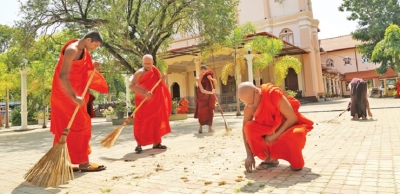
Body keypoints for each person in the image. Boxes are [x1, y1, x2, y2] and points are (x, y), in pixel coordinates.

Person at [50, 31, 108, 172]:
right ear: (88, 40)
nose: (95, 48)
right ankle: (83, 163)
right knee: (79, 126)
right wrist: (74, 97)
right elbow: (63, 75)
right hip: (65, 94)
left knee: (75, 127)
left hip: (74, 93)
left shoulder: (83, 51)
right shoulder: (72, 50)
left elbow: (81, 66)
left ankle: (65, 162)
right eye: (95, 44)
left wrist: (92, 64)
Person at [238, 82, 314, 172]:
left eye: (251, 102)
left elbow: (292, 118)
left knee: (296, 134)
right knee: (249, 128)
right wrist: (249, 155)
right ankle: (270, 158)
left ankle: (293, 159)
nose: (250, 106)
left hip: (286, 127)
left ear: (257, 92)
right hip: (269, 130)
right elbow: (244, 130)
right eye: (246, 103)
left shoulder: (273, 94)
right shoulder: (249, 107)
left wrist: (274, 136)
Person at [129, 54, 171, 153]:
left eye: (149, 63)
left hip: (155, 100)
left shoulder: (155, 70)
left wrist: (163, 78)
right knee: (141, 122)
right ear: (142, 63)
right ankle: (139, 144)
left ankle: (156, 143)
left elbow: (160, 83)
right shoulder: (139, 73)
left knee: (156, 121)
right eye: (145, 63)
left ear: (152, 62)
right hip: (142, 101)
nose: (147, 65)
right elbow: (131, 86)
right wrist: (144, 93)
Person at [194, 65, 217, 133]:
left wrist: (211, 79)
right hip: (201, 96)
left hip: (209, 97)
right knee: (201, 111)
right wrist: (211, 92)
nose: (204, 73)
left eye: (205, 72)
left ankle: (210, 128)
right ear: (200, 70)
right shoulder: (198, 78)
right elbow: (202, 90)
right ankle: (200, 128)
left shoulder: (208, 74)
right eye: (203, 72)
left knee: (210, 111)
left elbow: (215, 82)